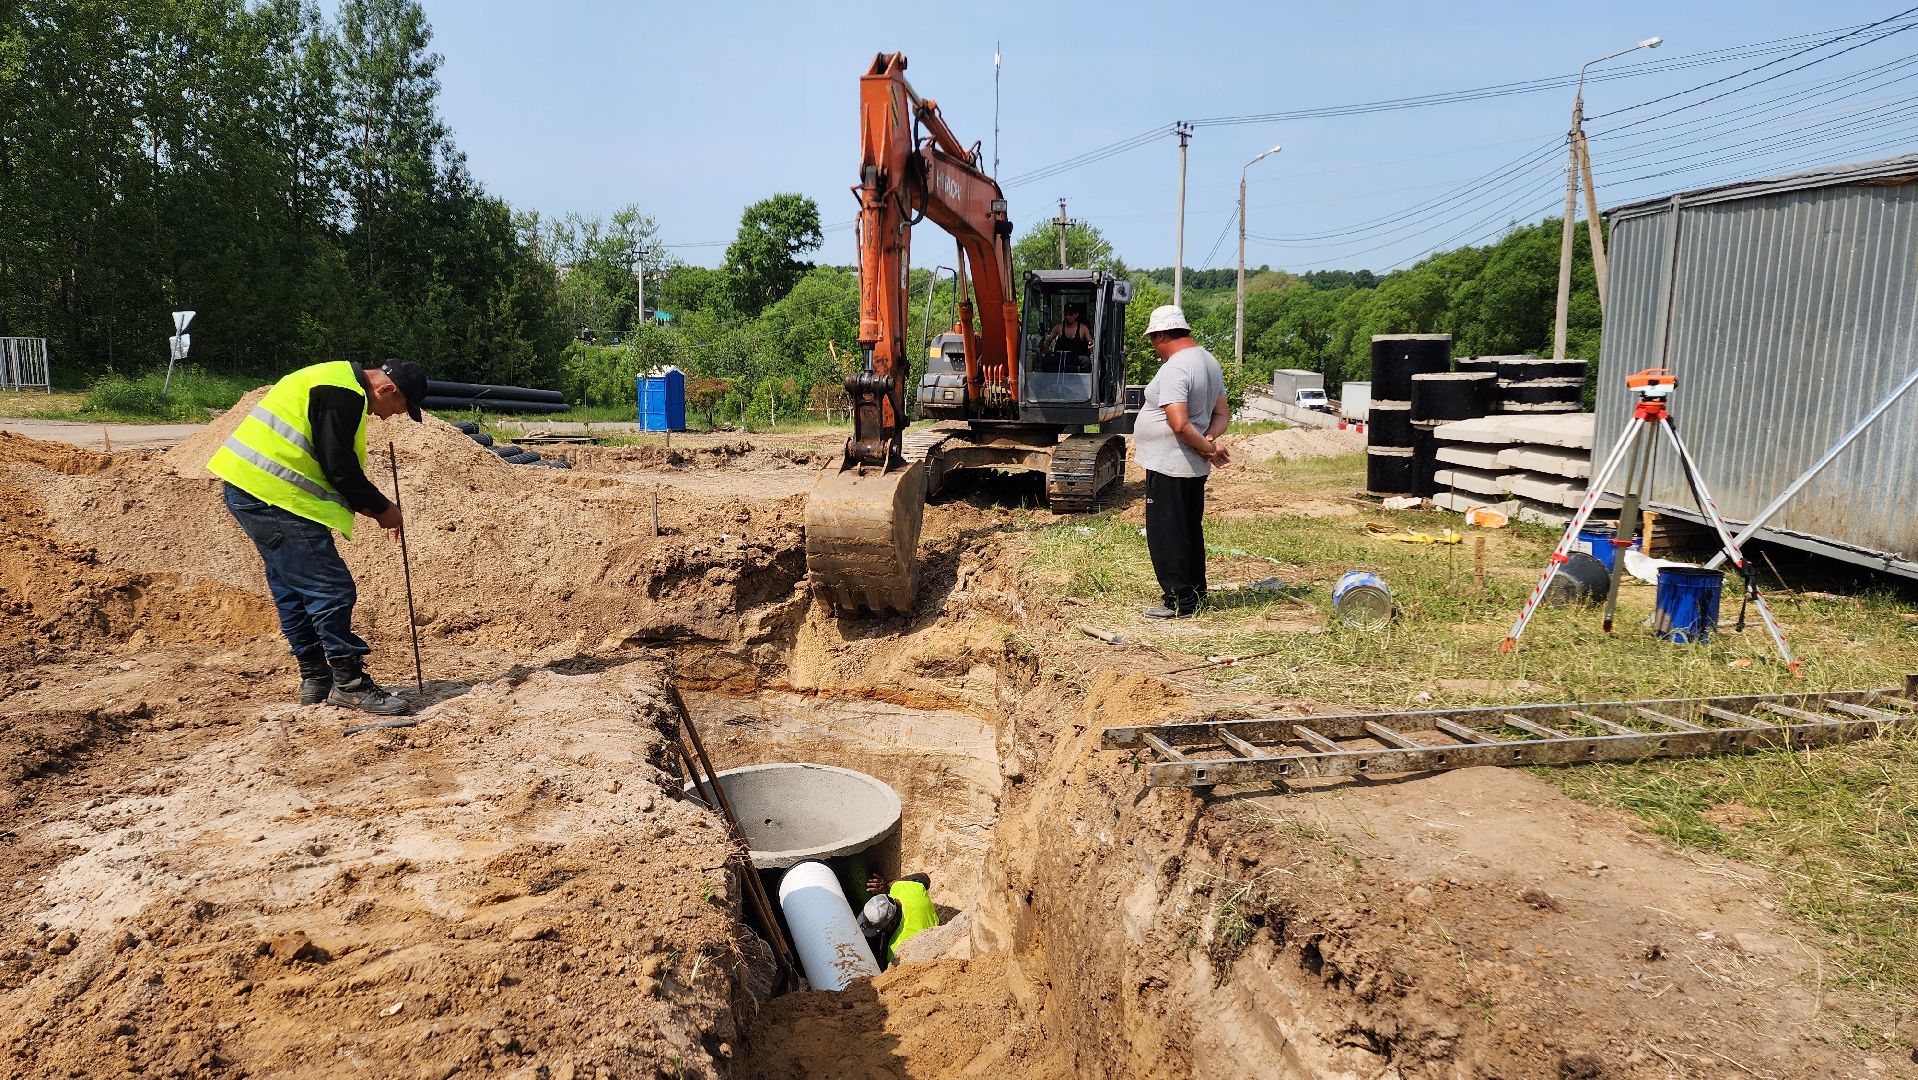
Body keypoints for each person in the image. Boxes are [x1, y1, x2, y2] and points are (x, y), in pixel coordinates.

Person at [207, 359, 430, 715]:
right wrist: (381, 508)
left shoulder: (333, 377)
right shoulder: (341, 391)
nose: (389, 417)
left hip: (254, 489)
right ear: (386, 389)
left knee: (291, 589)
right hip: (276, 496)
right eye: (398, 408)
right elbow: (338, 465)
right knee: (331, 589)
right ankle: (349, 684)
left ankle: (316, 679)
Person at [1132, 305, 1229, 619]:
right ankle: (1196, 597)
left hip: (1169, 463)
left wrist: (1207, 448)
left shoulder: (1177, 367)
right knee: (1188, 529)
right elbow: (1221, 415)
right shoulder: (1209, 361)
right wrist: (1209, 444)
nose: (1154, 348)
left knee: (1167, 533)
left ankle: (1179, 601)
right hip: (1190, 466)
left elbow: (1179, 423)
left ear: (1161, 335)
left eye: (1153, 340)